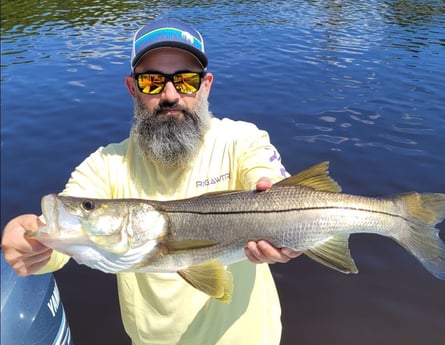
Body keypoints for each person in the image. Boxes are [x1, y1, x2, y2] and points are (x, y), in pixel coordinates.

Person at [2, 18, 301, 345]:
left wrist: (287, 219)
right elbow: (65, 234)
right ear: (133, 88)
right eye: (152, 81)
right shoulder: (105, 166)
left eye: (186, 80)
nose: (169, 94)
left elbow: (271, 181)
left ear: (206, 86)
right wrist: (32, 243)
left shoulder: (241, 140)